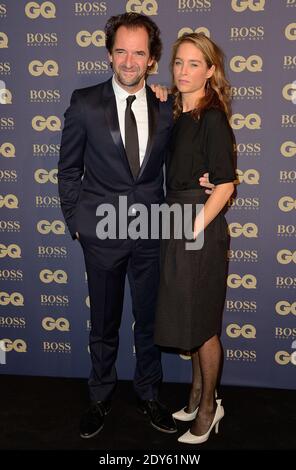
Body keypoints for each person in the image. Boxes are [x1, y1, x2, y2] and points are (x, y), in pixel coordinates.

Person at [58, 12, 212, 439]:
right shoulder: (85, 102)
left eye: (139, 53)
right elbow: (68, 171)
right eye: (121, 51)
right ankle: (100, 396)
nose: (129, 61)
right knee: (103, 324)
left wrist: (204, 178)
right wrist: (78, 225)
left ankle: (149, 393)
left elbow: (183, 161)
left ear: (151, 59)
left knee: (149, 322)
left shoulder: (167, 105)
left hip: (150, 233)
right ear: (109, 55)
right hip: (101, 236)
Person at [154, 32, 236, 444]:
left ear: (210, 70)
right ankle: (195, 392)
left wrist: (192, 228)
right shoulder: (176, 112)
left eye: (194, 64)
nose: (184, 71)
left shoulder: (213, 117)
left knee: (204, 325)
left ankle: (209, 407)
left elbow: (225, 185)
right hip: (177, 219)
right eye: (178, 63)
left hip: (197, 227)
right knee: (190, 315)